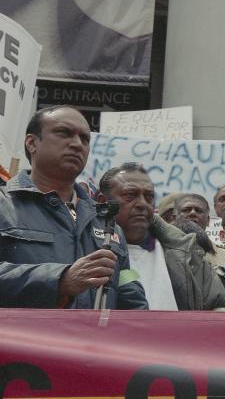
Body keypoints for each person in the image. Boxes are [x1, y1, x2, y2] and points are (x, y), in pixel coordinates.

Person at [0, 106, 147, 309]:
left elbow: (130, 300)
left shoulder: (107, 223)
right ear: (32, 143)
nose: (77, 144)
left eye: (85, 139)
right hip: (18, 340)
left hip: (93, 340)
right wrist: (60, 280)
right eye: (64, 133)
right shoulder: (4, 204)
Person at [98, 163, 225, 310]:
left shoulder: (186, 252)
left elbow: (219, 312)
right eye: (130, 195)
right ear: (103, 202)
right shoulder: (86, 249)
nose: (142, 203)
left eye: (149, 197)